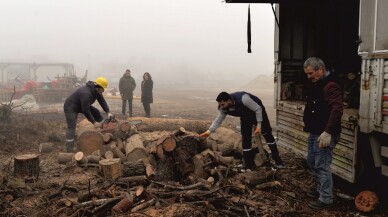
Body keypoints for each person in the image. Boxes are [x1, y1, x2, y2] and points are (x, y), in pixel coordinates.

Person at [199, 91, 285, 169]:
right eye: (220, 104)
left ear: (229, 100)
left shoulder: (244, 99)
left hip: (258, 112)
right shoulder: (223, 108)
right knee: (246, 139)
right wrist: (209, 131)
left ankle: (278, 161)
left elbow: (258, 109)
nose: (221, 107)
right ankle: (247, 165)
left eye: (222, 104)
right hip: (245, 116)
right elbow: (218, 120)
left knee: (268, 136)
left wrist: (259, 125)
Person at [303, 57, 343, 209]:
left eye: (311, 73)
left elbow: (337, 109)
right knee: (312, 162)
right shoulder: (318, 83)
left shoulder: (331, 85)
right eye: (307, 74)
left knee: (321, 165)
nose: (309, 76)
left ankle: (326, 198)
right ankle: (321, 190)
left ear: (320, 69)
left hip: (325, 134)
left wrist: (328, 132)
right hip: (315, 132)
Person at [63, 77, 114, 153]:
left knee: (96, 112)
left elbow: (102, 101)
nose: (103, 91)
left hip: (81, 105)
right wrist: (94, 122)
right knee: (71, 127)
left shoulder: (96, 91)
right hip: (71, 107)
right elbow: (85, 110)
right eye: (103, 89)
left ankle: (103, 129)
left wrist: (108, 111)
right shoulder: (86, 93)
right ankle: (69, 150)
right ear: (99, 87)